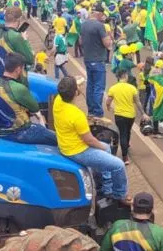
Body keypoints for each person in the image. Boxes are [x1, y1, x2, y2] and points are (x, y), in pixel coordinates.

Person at [53, 76, 129, 206]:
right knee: (118, 165)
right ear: (75, 92)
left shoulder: (58, 101)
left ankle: (105, 185)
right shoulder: (76, 115)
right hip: (78, 151)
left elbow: (69, 86)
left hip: (66, 145)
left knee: (106, 149)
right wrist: (102, 147)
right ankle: (119, 195)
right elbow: (90, 141)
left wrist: (78, 84)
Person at [0, 53, 57, 146]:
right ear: (18, 70)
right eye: (22, 69)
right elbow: (35, 108)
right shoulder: (18, 88)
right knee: (57, 139)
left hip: (2, 131)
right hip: (19, 132)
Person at [105, 69, 148, 165]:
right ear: (125, 76)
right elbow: (137, 102)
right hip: (130, 115)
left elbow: (108, 101)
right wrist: (143, 113)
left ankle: (125, 157)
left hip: (119, 115)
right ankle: (126, 147)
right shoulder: (132, 88)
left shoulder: (113, 88)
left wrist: (108, 108)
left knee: (122, 133)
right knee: (127, 131)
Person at [81, 3, 113, 117]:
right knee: (99, 87)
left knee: (90, 85)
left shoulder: (84, 24)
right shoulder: (100, 26)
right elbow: (107, 44)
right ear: (99, 14)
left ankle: (90, 110)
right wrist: (109, 34)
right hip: (98, 60)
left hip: (87, 59)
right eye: (102, 15)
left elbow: (80, 42)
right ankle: (97, 112)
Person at [0, 7, 34, 77]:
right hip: (16, 79)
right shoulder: (16, 37)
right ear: (19, 19)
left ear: (5, 18)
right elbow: (30, 59)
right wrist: (25, 40)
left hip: (1, 76)